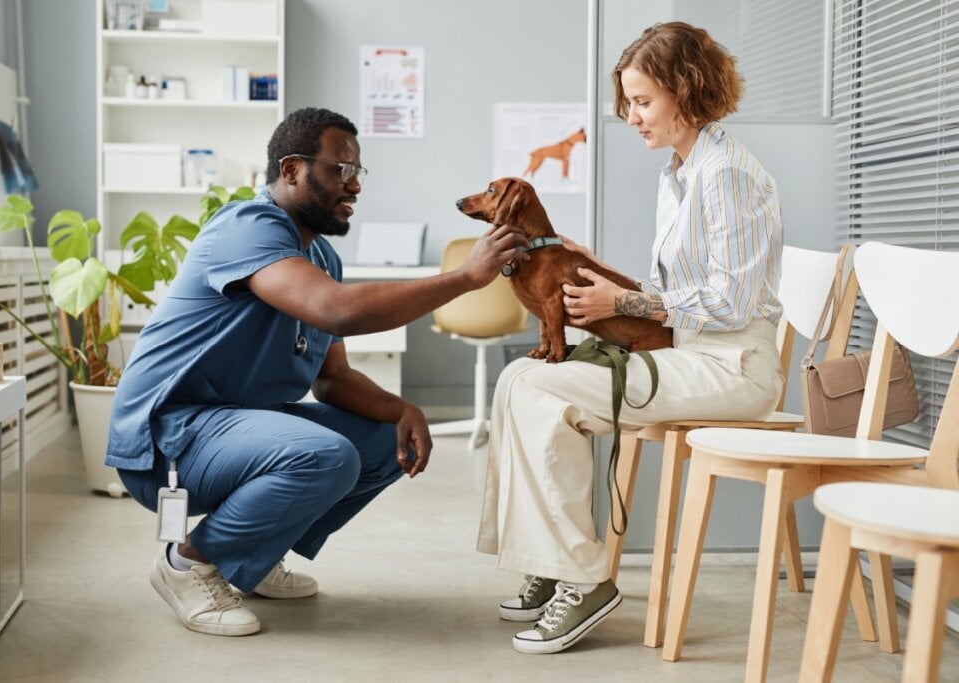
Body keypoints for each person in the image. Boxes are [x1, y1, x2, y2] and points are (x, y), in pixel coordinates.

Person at [106, 107, 527, 637]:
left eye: (358, 173)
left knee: (381, 440)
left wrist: (402, 410)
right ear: (291, 170)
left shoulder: (322, 256)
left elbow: (332, 378)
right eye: (340, 170)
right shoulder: (246, 227)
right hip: (171, 439)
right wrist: (465, 278)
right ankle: (186, 564)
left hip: (234, 430)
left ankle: (250, 561)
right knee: (322, 454)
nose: (354, 186)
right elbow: (334, 310)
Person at [477, 22, 785, 654]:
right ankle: (553, 558)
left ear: (686, 90)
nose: (632, 116)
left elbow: (732, 303)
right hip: (692, 351)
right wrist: (611, 277)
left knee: (539, 389)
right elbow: (689, 293)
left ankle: (583, 579)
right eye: (628, 103)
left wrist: (621, 300)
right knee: (518, 375)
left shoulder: (725, 174)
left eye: (643, 102)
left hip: (733, 367)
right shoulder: (680, 173)